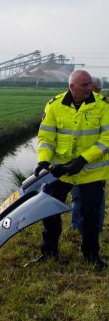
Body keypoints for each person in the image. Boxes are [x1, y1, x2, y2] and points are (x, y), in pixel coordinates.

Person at [34, 70, 109, 268]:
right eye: (84, 84)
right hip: (60, 171)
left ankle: (91, 255)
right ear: (72, 86)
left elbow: (106, 139)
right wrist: (43, 161)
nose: (89, 87)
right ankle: (49, 252)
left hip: (91, 172)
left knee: (90, 216)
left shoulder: (103, 106)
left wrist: (83, 160)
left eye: (90, 84)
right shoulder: (54, 106)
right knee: (48, 211)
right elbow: (46, 138)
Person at [71, 76, 106, 231]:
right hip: (82, 163)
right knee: (89, 197)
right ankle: (89, 225)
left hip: (92, 164)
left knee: (87, 197)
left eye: (90, 88)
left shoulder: (103, 105)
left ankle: (81, 225)